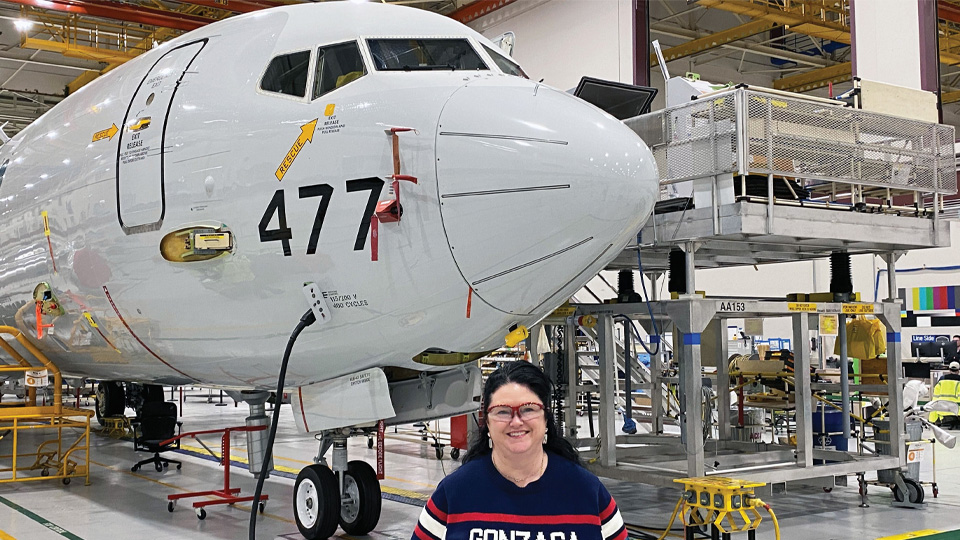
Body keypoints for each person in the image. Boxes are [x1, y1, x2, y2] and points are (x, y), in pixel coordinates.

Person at [412, 362, 626, 540]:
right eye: (502, 411)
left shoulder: (587, 492)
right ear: (486, 421)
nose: (516, 421)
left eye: (528, 409)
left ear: (546, 417)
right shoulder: (454, 492)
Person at [930, 361, 960, 429]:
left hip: (943, 411)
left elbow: (935, 398)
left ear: (949, 370)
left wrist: (933, 420)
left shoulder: (941, 380)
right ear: (958, 371)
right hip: (957, 412)